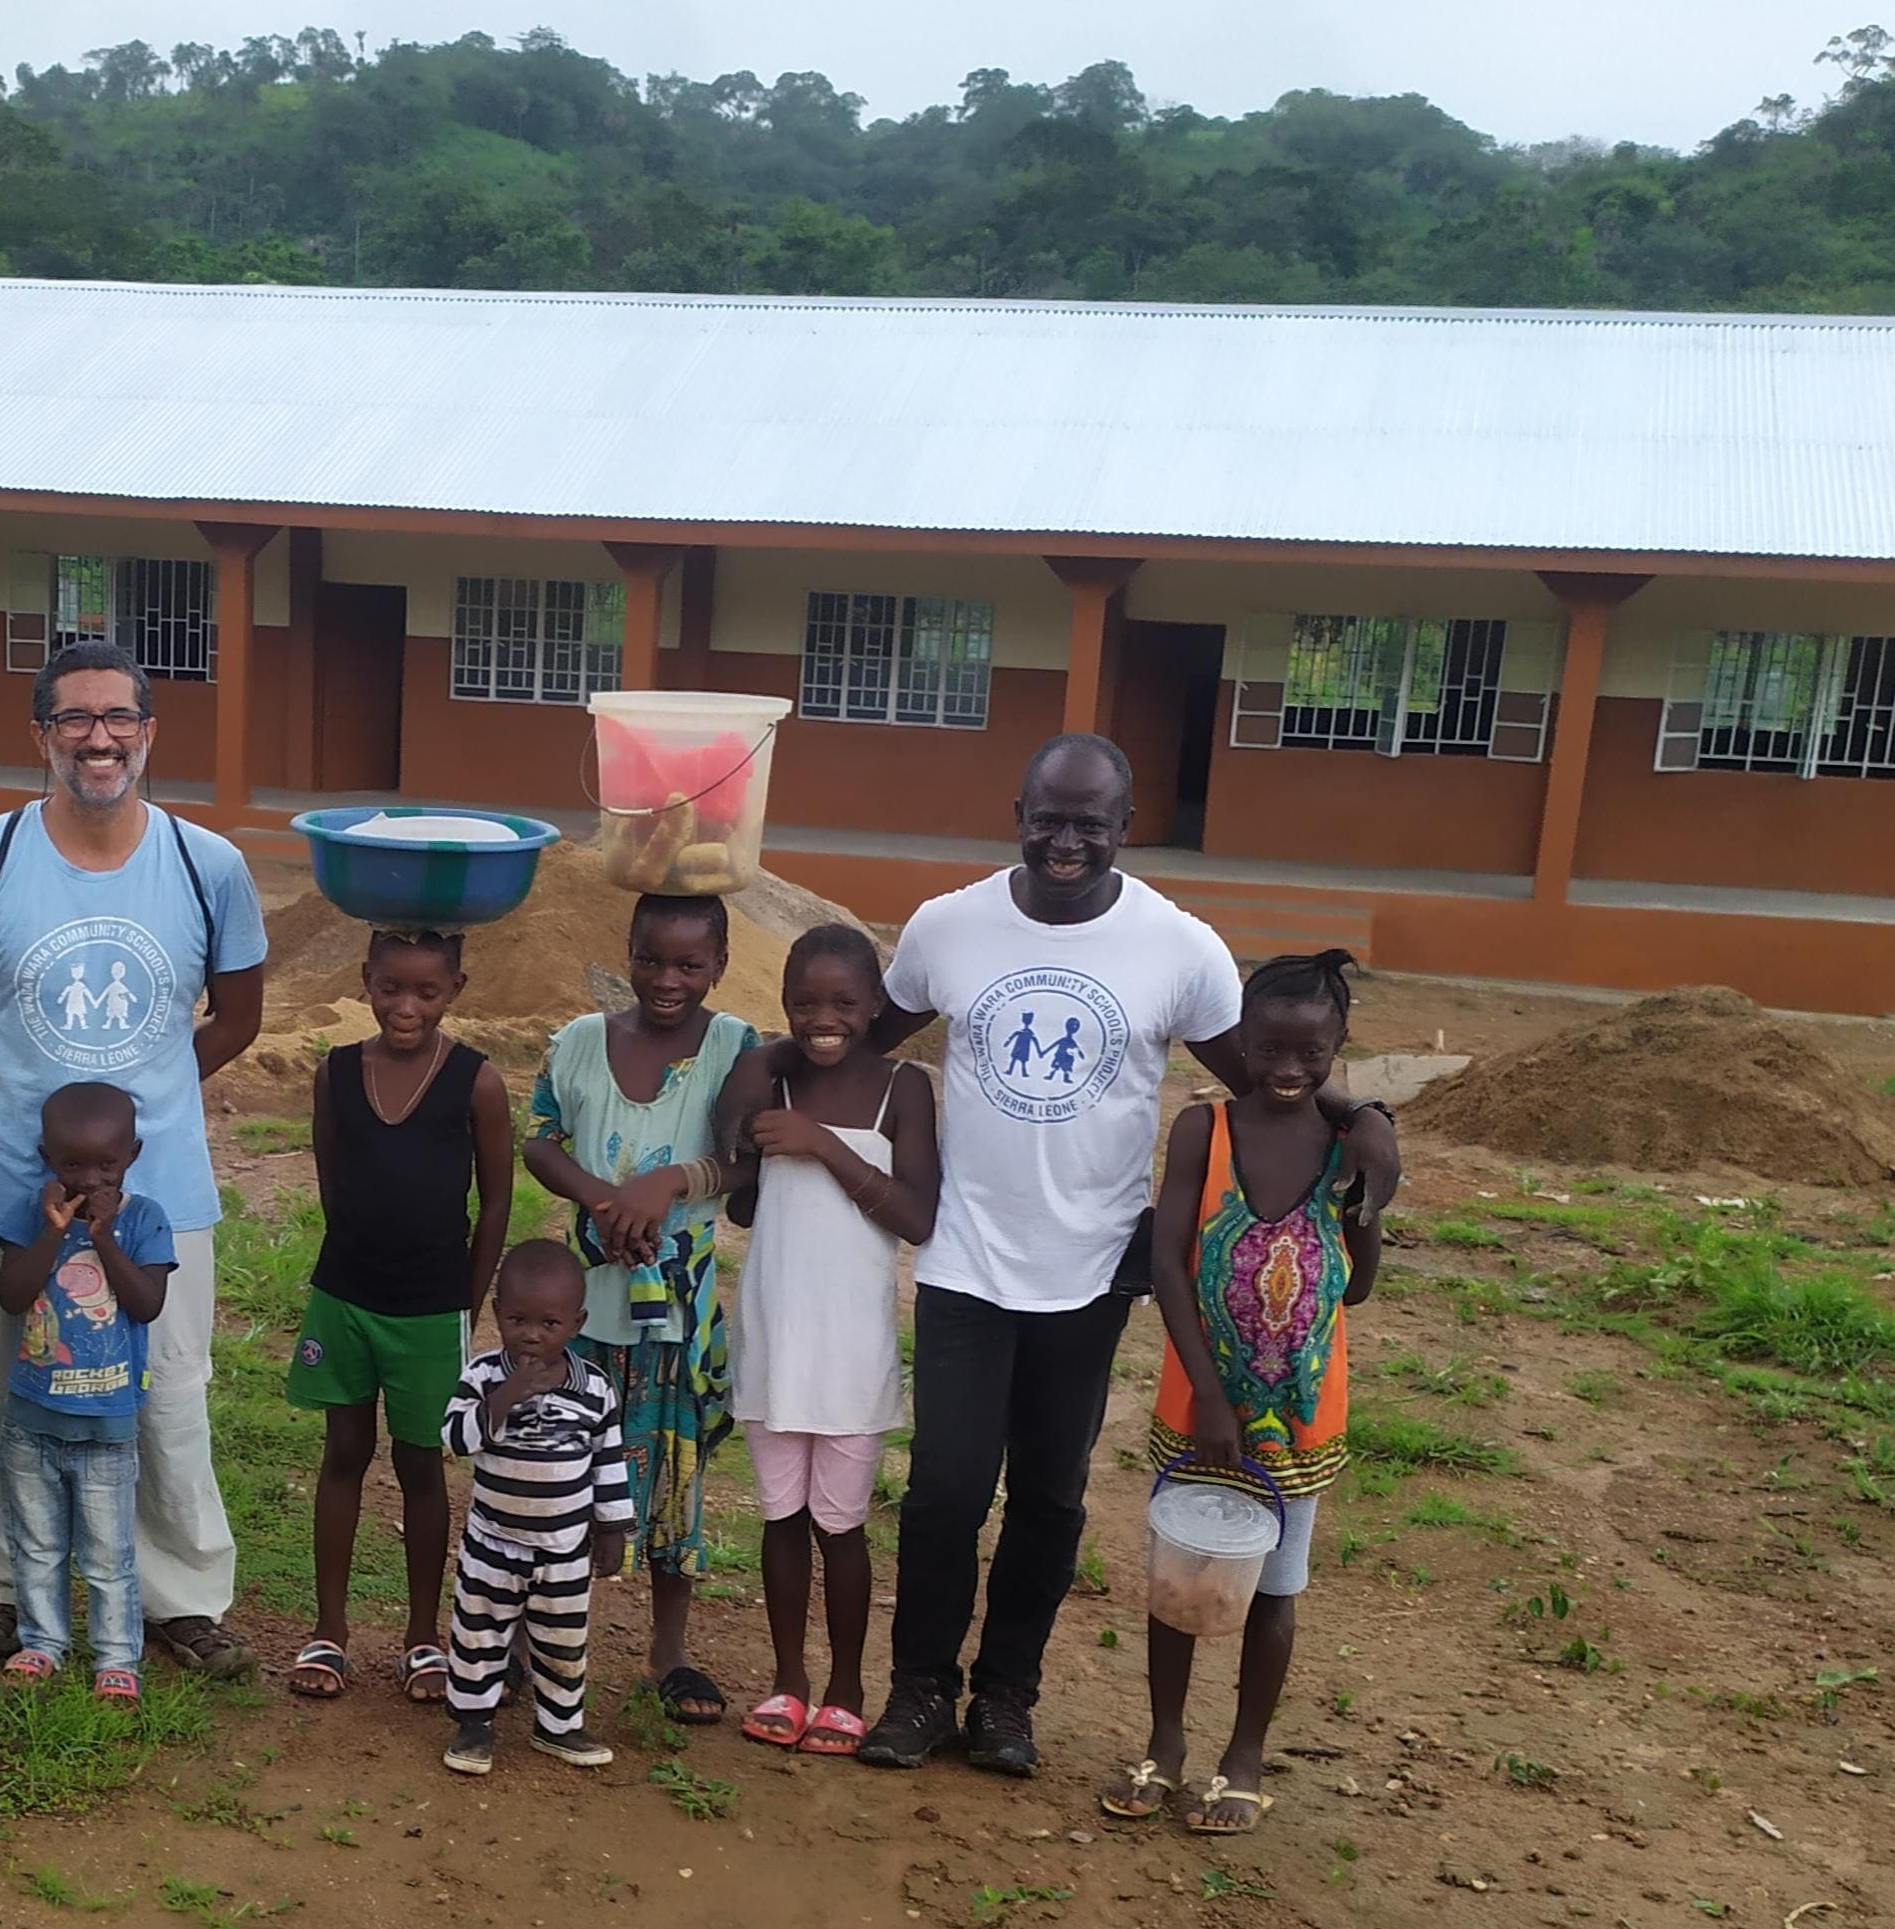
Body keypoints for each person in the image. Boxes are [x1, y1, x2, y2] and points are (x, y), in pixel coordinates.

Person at [818, 732, 1401, 1779]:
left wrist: (1363, 1118)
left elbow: (1264, 1081)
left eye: (1091, 821)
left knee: (1050, 1495)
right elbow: (864, 1038)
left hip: (1091, 1274)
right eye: (1050, 816)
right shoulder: (948, 927)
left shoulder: (1180, 948)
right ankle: (919, 1694)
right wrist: (762, 1076)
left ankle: (1005, 1699)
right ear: (1019, 812)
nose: (1067, 840)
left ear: (1126, 825)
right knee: (948, 1492)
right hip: (964, 1260)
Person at [0, 638, 270, 1683]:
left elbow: (238, 1016)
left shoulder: (210, 867)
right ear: (42, 736)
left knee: (165, 1385)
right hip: (8, 1183)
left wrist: (143, 1092)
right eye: (76, 719)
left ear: (150, 734)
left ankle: (182, 1599)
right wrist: (10, 1093)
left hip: (157, 1189)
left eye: (120, 718)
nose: (99, 738)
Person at [1105, 950, 1380, 1836]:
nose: (1289, 1070)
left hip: (1298, 1416)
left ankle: (1244, 1754)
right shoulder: (1204, 1132)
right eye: (1268, 1050)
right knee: (1180, 1579)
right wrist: (1211, 1397)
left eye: (1311, 1053)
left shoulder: (1348, 1149)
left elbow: (1358, 1284)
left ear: (1339, 1046)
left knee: (1274, 1587)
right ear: (1241, 1043)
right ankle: (1166, 1741)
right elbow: (1166, 1263)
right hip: (1200, 1405)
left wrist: (1373, 1190)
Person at [520, 891, 756, 1729]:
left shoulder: (737, 1050)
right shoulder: (580, 1044)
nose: (667, 979)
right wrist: (602, 1198)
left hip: (676, 1313)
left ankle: (669, 1648)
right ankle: (530, 1636)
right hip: (577, 1312)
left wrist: (664, 1188)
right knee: (553, 1472)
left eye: (691, 965)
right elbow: (539, 1137)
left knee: (672, 1470)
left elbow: (744, 1159)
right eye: (651, 959)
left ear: (720, 967)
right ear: (627, 951)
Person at [710, 924, 936, 1757]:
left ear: (877, 1005)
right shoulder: (776, 1082)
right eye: (803, 1003)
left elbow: (917, 1216)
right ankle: (788, 1680)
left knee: (840, 1526)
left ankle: (845, 1687)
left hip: (850, 1352)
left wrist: (822, 1146)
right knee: (779, 1518)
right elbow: (728, 1135)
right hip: (774, 1337)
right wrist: (764, 1062)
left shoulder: (902, 1090)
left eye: (844, 1002)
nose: (824, 1018)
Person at [284, 928, 514, 1705]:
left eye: (425, 992)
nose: (404, 1007)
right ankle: (329, 1631)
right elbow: (331, 1176)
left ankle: (423, 1637)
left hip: (432, 1308)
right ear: (365, 981)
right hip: (345, 1294)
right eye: (389, 989)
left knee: (422, 1466)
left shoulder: (477, 1082)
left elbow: (496, 1204)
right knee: (343, 1451)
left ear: (455, 990)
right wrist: (355, 1259)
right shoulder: (338, 1073)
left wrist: (467, 1302)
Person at [0, 1080, 177, 1702]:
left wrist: (100, 1236)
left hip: (107, 1424)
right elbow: (12, 1296)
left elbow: (147, 1304)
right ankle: (41, 1642)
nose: (91, 1179)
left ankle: (116, 1658)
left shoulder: (146, 1219)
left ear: (133, 1156)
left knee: (107, 1554)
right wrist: (52, 1233)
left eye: (107, 1164)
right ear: (47, 1158)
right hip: (32, 1417)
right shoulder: (29, 1213)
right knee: (37, 1544)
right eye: (73, 1164)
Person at [438, 1239, 635, 1776]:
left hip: (564, 1550)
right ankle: (473, 1727)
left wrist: (613, 1529)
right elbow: (455, 1439)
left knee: (563, 1642)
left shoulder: (595, 1387)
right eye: (517, 1319)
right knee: (478, 1636)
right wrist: (506, 1396)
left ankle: (560, 1726)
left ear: (577, 1323)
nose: (531, 1334)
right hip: (491, 1546)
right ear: (498, 1316)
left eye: (549, 1324)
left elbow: (608, 1459)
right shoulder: (481, 1376)